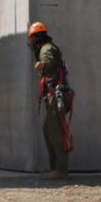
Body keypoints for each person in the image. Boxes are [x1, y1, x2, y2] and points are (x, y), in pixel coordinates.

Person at [27, 21, 74, 180]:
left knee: (56, 133)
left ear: (35, 38)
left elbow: (49, 62)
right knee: (49, 131)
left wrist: (41, 65)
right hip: (54, 95)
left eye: (31, 40)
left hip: (56, 96)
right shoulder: (48, 47)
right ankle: (55, 168)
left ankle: (61, 170)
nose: (30, 43)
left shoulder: (46, 49)